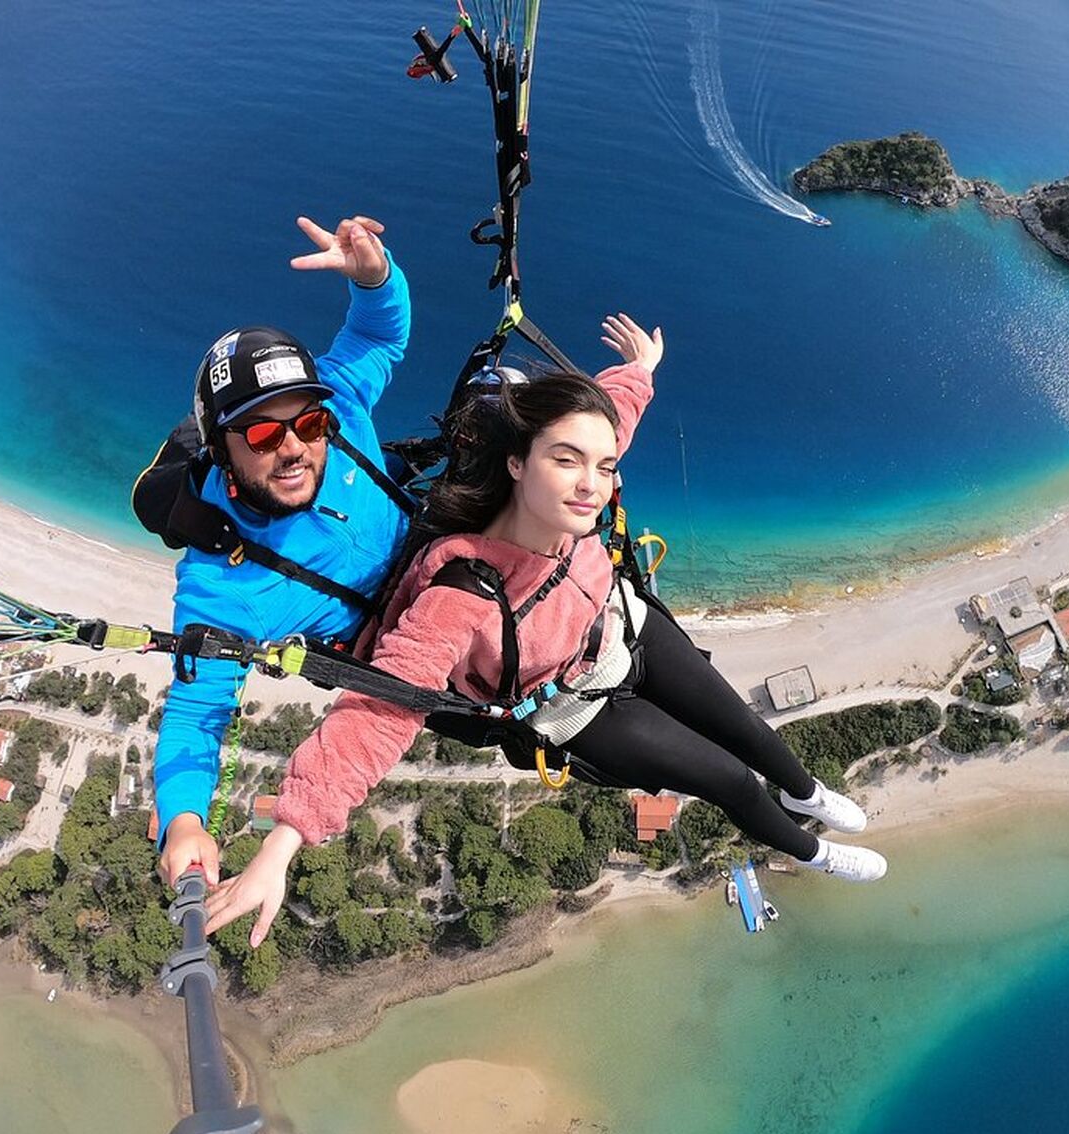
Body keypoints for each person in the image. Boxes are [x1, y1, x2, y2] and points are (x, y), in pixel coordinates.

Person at [205, 323, 887, 945]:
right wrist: (284, 841)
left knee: (752, 732)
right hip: (576, 708)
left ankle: (806, 795)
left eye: (603, 467)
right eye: (567, 462)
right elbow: (382, 711)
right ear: (517, 465)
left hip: (626, 630)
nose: (591, 485)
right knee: (732, 780)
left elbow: (611, 420)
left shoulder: (578, 481)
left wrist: (641, 369)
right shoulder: (462, 589)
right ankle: (813, 853)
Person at [153, 213, 412, 886]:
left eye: (307, 422)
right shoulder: (222, 582)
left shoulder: (343, 403)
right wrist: (185, 822)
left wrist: (373, 278)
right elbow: (195, 714)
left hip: (433, 562)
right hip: (392, 644)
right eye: (263, 433)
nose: (293, 444)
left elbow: (380, 334)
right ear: (221, 453)